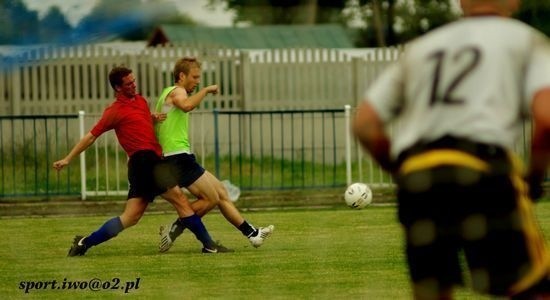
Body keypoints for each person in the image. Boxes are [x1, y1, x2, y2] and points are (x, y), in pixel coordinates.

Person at [352, 0, 550, 299]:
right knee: (534, 287)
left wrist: (402, 171)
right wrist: (533, 178)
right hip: (480, 166)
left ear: (460, 3)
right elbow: (546, 119)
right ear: (513, 1)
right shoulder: (525, 40)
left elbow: (364, 124)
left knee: (433, 290)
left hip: (419, 180)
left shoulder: (421, 48)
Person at [53, 66, 231, 256]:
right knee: (180, 200)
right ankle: (209, 245)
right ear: (117, 88)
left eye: (134, 81)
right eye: (129, 84)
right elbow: (90, 136)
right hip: (145, 161)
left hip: (144, 164)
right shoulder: (113, 111)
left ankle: (84, 242)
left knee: (130, 217)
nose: (134, 85)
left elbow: (140, 124)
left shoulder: (140, 101)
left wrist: (152, 118)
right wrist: (68, 158)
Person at [154, 57, 274, 253]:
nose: (197, 81)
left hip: (179, 155)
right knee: (211, 198)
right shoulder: (177, 91)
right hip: (176, 156)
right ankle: (174, 230)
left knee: (220, 193)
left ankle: (252, 234)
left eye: (199, 78)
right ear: (181, 76)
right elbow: (186, 106)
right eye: (195, 77)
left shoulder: (166, 94)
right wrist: (206, 90)